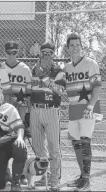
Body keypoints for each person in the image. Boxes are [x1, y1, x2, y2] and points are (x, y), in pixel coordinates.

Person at [64, 32, 102, 191]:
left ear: (81, 47)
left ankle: (86, 179)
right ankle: (82, 176)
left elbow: (97, 87)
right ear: (67, 48)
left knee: (85, 142)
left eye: (77, 45)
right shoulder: (66, 67)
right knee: (76, 143)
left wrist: (91, 105)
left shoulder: (90, 63)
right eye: (72, 45)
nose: (75, 48)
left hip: (87, 108)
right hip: (73, 109)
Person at [28, 42, 64, 191]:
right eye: (44, 52)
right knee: (37, 146)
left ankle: (55, 179)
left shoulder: (58, 71)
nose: (47, 55)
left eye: (50, 52)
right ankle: (45, 175)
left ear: (53, 54)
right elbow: (30, 91)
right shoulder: (33, 69)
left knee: (54, 147)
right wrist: (28, 112)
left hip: (51, 110)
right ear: (40, 53)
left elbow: (60, 92)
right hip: (35, 109)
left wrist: (46, 79)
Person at [0, 41, 33, 184]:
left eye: (14, 52)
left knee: (20, 140)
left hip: (21, 108)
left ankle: (21, 174)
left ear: (18, 53)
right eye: (9, 52)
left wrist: (29, 112)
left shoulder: (24, 68)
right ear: (4, 52)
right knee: (3, 138)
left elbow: (29, 92)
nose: (11, 55)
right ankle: (6, 172)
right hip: (4, 108)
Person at [0, 81, 27, 191]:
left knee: (20, 148)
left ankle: (16, 182)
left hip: (9, 143)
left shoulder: (10, 108)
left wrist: (20, 138)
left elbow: (19, 126)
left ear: (1, 92)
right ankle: (7, 175)